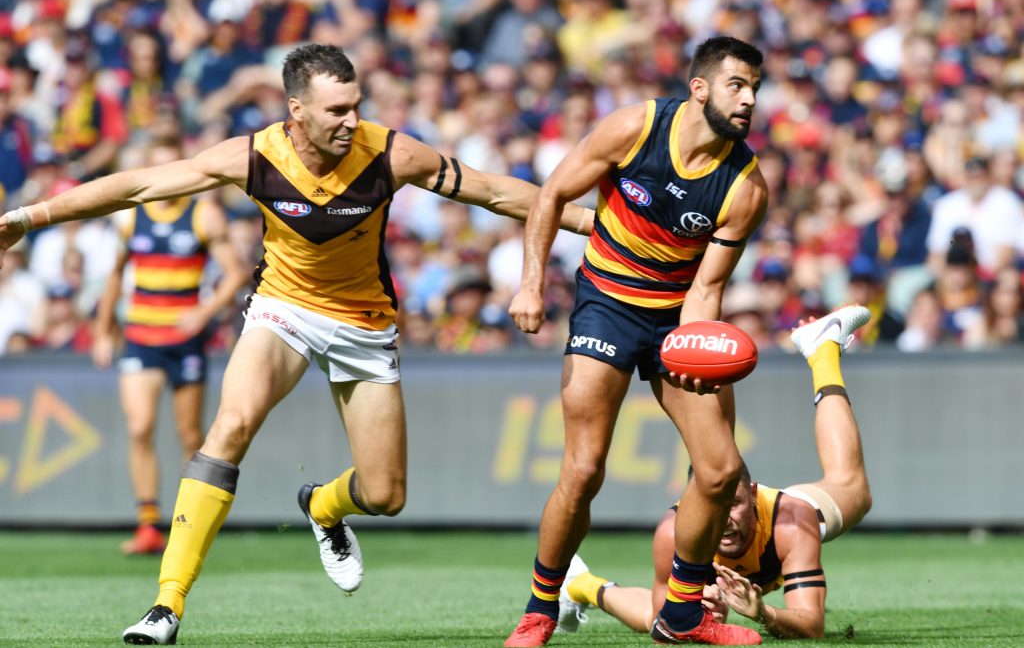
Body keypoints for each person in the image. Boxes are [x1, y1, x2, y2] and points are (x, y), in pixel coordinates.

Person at [0, 43, 594, 646]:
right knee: (229, 426)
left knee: (385, 494)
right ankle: (166, 604)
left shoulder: (392, 154)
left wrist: (596, 223)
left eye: (356, 106)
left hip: (364, 322)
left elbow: (497, 193)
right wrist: (31, 216)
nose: (351, 120)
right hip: (283, 309)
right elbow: (138, 186)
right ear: (296, 111)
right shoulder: (254, 156)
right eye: (336, 109)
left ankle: (324, 506)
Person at [506, 36, 769, 647]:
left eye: (755, 88)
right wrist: (529, 287)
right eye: (737, 85)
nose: (749, 99)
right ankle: (540, 609)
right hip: (607, 306)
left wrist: (694, 345)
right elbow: (551, 195)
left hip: (675, 318)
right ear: (699, 88)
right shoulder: (634, 127)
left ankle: (680, 613)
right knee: (584, 467)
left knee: (722, 468)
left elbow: (707, 289)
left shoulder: (744, 188)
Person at [557, 305, 873, 641]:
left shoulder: (791, 522)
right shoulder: (673, 532)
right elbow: (660, 620)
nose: (723, 518)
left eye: (733, 503)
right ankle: (580, 583)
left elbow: (812, 626)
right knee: (657, 615)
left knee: (854, 490)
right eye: (714, 505)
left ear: (753, 495)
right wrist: (694, 610)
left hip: (778, 523)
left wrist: (762, 614)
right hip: (705, 564)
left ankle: (822, 349)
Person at [91, 138, 248, 556]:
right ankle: (147, 524)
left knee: (190, 434)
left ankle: (186, 526)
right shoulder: (131, 217)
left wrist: (204, 311)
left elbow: (235, 274)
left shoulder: (204, 213)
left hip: (185, 339)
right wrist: (104, 329)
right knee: (140, 426)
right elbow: (114, 275)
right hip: (141, 335)